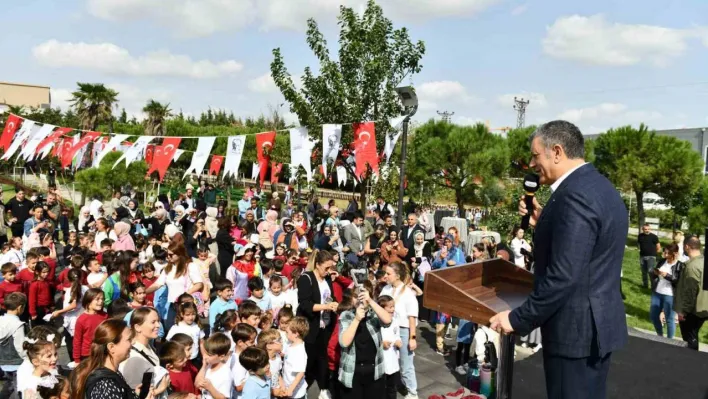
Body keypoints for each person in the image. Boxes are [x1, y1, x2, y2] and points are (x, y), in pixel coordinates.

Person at [490, 121, 628, 399]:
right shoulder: (598, 186)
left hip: (574, 335)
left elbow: (563, 276)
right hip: (595, 329)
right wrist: (545, 223)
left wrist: (517, 319)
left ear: (556, 151)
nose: (531, 163)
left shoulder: (573, 197)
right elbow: (586, 250)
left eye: (535, 155)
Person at [70, 318, 155, 399]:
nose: (132, 342)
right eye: (129, 339)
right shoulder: (105, 384)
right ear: (111, 347)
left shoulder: (111, 374)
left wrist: (133, 395)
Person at [336, 287, 392, 399]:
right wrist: (356, 319)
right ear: (352, 299)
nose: (360, 299)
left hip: (374, 371)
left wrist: (370, 301)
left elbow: (388, 320)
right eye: (356, 296)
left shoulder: (374, 315)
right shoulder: (346, 315)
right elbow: (344, 342)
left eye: (362, 295)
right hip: (352, 372)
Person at [297, 250, 338, 398]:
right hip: (310, 326)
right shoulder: (306, 278)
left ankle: (323, 387)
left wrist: (333, 304)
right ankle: (302, 387)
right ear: (317, 264)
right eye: (326, 268)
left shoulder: (327, 280)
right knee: (308, 358)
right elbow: (305, 305)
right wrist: (326, 307)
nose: (328, 272)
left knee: (323, 357)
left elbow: (330, 296)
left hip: (324, 325)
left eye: (330, 268)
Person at [379, 262, 419, 399]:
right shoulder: (386, 289)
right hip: (386, 328)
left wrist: (412, 338)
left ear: (397, 275)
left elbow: (412, 317)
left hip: (403, 329)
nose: (386, 276)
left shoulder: (408, 293)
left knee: (406, 364)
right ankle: (392, 385)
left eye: (388, 274)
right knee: (388, 360)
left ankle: (412, 392)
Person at [673, 236, 707, 350]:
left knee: (690, 338)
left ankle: (691, 362)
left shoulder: (692, 266)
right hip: (702, 307)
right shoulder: (703, 261)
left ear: (687, 246)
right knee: (693, 335)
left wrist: (683, 311)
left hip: (693, 310)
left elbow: (690, 292)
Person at [648, 243, 683, 339]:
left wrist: (667, 275)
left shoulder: (680, 265)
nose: (666, 255)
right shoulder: (662, 261)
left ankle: (670, 340)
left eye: (668, 253)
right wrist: (654, 273)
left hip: (670, 295)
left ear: (675, 253)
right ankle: (660, 335)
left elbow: (678, 281)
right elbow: (655, 275)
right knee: (654, 316)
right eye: (665, 252)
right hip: (657, 292)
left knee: (669, 319)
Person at [638, 223, 661, 289]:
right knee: (643, 272)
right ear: (643, 229)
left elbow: (659, 247)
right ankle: (645, 285)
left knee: (651, 272)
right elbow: (640, 244)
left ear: (650, 229)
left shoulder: (654, 237)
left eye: (648, 229)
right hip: (642, 256)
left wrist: (655, 255)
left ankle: (653, 287)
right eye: (645, 229)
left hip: (651, 257)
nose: (647, 230)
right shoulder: (640, 236)